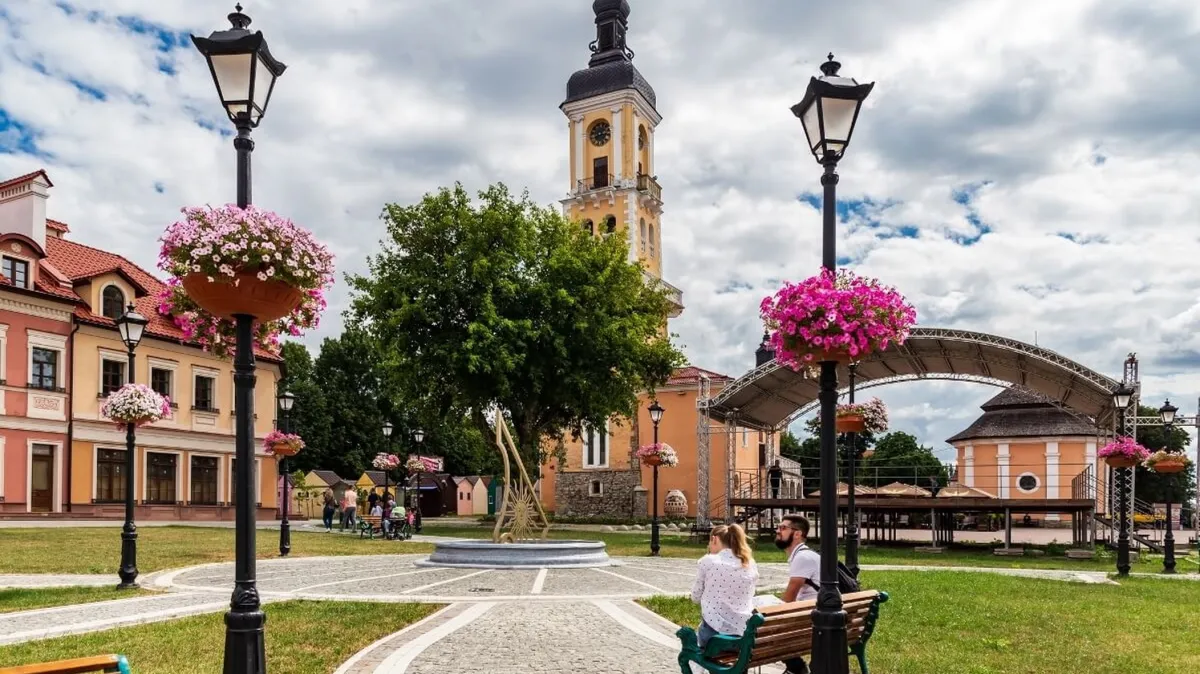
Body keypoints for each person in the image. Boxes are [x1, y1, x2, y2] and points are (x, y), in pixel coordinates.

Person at [689, 524, 758, 649]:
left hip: (714, 635)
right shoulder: (749, 563)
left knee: (691, 640)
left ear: (714, 539)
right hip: (744, 633)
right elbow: (751, 594)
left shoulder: (709, 561)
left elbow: (695, 597)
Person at [776, 514, 820, 674]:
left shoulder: (802, 558)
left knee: (761, 630)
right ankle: (795, 668)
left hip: (813, 623)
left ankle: (797, 668)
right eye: (778, 527)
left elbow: (788, 599)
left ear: (797, 534)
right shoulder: (807, 555)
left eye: (783, 528)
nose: (778, 531)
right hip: (813, 617)